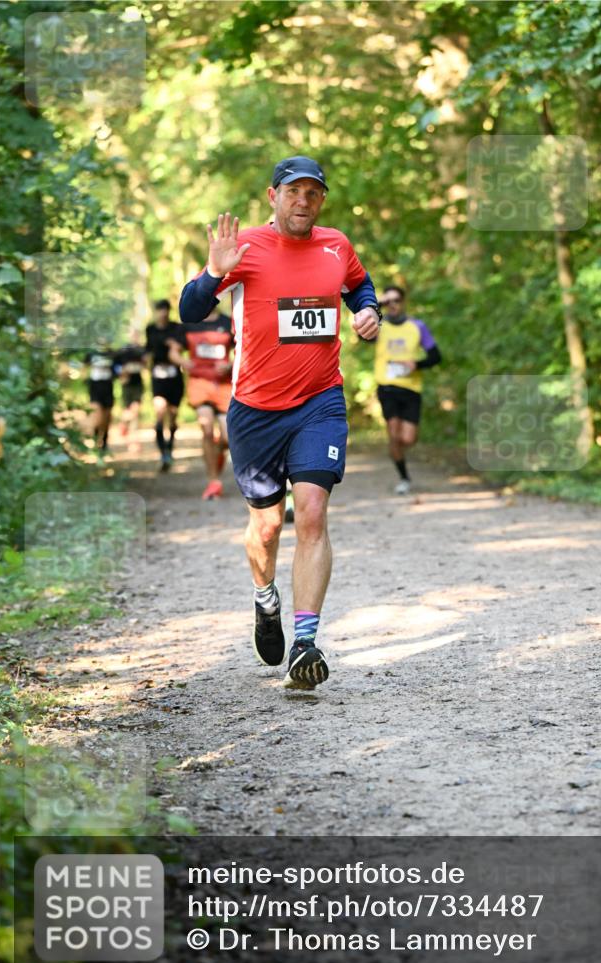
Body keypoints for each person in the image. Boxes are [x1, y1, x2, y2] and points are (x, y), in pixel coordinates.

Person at [179, 155, 380, 690]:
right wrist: (215, 273)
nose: (303, 201)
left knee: (311, 512)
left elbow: (360, 286)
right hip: (256, 410)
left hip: (320, 401)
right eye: (294, 192)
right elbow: (189, 311)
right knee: (266, 527)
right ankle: (265, 601)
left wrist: (369, 312)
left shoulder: (337, 245)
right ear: (273, 196)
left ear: (321, 201)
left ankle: (306, 644)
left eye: (313, 193)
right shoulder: (243, 247)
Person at [374, 285, 441, 494]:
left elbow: (436, 356)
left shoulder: (417, 326)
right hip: (386, 386)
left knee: (408, 439)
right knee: (394, 434)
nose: (393, 305)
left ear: (403, 302)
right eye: (388, 301)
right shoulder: (379, 325)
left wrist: (417, 364)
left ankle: (397, 452)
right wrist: (377, 304)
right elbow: (362, 336)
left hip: (411, 388)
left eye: (397, 300)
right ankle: (404, 477)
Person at [169, 305, 234, 500]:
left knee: (228, 438)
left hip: (223, 385)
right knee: (206, 428)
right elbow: (173, 351)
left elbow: (244, 348)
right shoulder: (190, 322)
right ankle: (213, 481)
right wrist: (183, 361)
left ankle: (217, 450)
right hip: (199, 383)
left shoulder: (227, 322)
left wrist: (230, 364)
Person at [145, 299, 185, 471]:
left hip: (174, 376)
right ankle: (163, 454)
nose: (163, 313)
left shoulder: (176, 328)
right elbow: (148, 350)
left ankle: (170, 445)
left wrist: (175, 347)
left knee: (173, 416)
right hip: (158, 376)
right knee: (160, 411)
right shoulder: (150, 329)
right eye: (160, 310)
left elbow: (182, 347)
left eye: (165, 310)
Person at [113, 332, 146, 453]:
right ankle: (123, 425)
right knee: (128, 411)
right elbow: (115, 365)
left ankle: (134, 442)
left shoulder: (142, 350)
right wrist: (121, 373)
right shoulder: (123, 350)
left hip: (138, 383)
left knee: (135, 411)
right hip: (126, 384)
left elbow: (146, 363)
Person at [84, 345, 116, 453]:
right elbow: (84, 366)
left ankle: (104, 443)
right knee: (97, 416)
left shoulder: (111, 353)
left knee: (106, 417)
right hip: (95, 388)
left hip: (108, 387)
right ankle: (96, 440)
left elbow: (117, 369)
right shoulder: (91, 352)